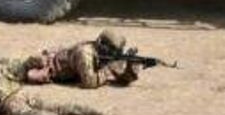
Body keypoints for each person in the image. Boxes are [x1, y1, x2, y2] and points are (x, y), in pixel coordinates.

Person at [12, 30, 143, 89]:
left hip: (68, 70)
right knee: (15, 71)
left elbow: (122, 80)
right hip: (48, 67)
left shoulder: (104, 55)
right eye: (114, 51)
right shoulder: (85, 53)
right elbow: (89, 83)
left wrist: (130, 68)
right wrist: (109, 68)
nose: (115, 54)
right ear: (103, 46)